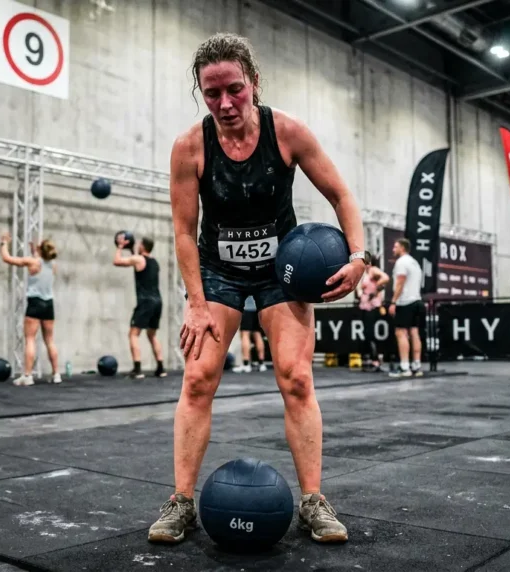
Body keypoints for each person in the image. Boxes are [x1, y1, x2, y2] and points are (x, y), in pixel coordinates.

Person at [148, 32, 366, 545]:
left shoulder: (287, 133)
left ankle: (313, 501)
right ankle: (181, 502)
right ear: (202, 92)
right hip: (217, 272)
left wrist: (359, 257)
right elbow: (184, 230)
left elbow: (340, 195)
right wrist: (197, 304)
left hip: (281, 273)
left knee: (295, 378)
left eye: (235, 90)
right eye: (212, 92)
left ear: (254, 83)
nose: (225, 103)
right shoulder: (189, 147)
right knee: (198, 379)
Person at [0, 233, 61, 385]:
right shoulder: (53, 265)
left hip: (35, 303)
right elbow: (41, 265)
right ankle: (57, 374)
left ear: (40, 250)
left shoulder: (32, 262)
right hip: (48, 304)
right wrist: (35, 250)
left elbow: (7, 258)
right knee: (50, 340)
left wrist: (4, 243)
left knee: (30, 339)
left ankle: (27, 376)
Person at [114, 235, 167, 379]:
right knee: (152, 334)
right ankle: (161, 368)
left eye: (139, 244)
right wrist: (131, 249)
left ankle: (137, 370)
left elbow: (117, 261)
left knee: (133, 334)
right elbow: (138, 262)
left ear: (143, 246)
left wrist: (119, 247)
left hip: (145, 302)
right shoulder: (155, 262)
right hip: (157, 301)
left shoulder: (138, 259)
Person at [388, 238, 424, 378]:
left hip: (405, 302)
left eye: (395, 247)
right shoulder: (414, 262)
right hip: (417, 301)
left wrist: (393, 302)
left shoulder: (401, 262)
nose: (393, 249)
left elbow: (400, 284)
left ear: (402, 248)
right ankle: (416, 366)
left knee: (400, 333)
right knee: (414, 333)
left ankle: (404, 367)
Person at [354, 253, 389, 371]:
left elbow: (385, 278)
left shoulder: (373, 270)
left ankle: (376, 361)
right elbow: (360, 287)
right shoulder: (366, 273)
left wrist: (375, 290)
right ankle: (371, 359)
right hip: (364, 305)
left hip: (372, 306)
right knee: (367, 334)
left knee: (370, 333)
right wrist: (360, 292)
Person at [232, 296, 267, 373]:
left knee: (245, 334)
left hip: (246, 308)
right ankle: (261, 364)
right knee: (257, 334)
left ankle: (246, 364)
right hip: (257, 309)